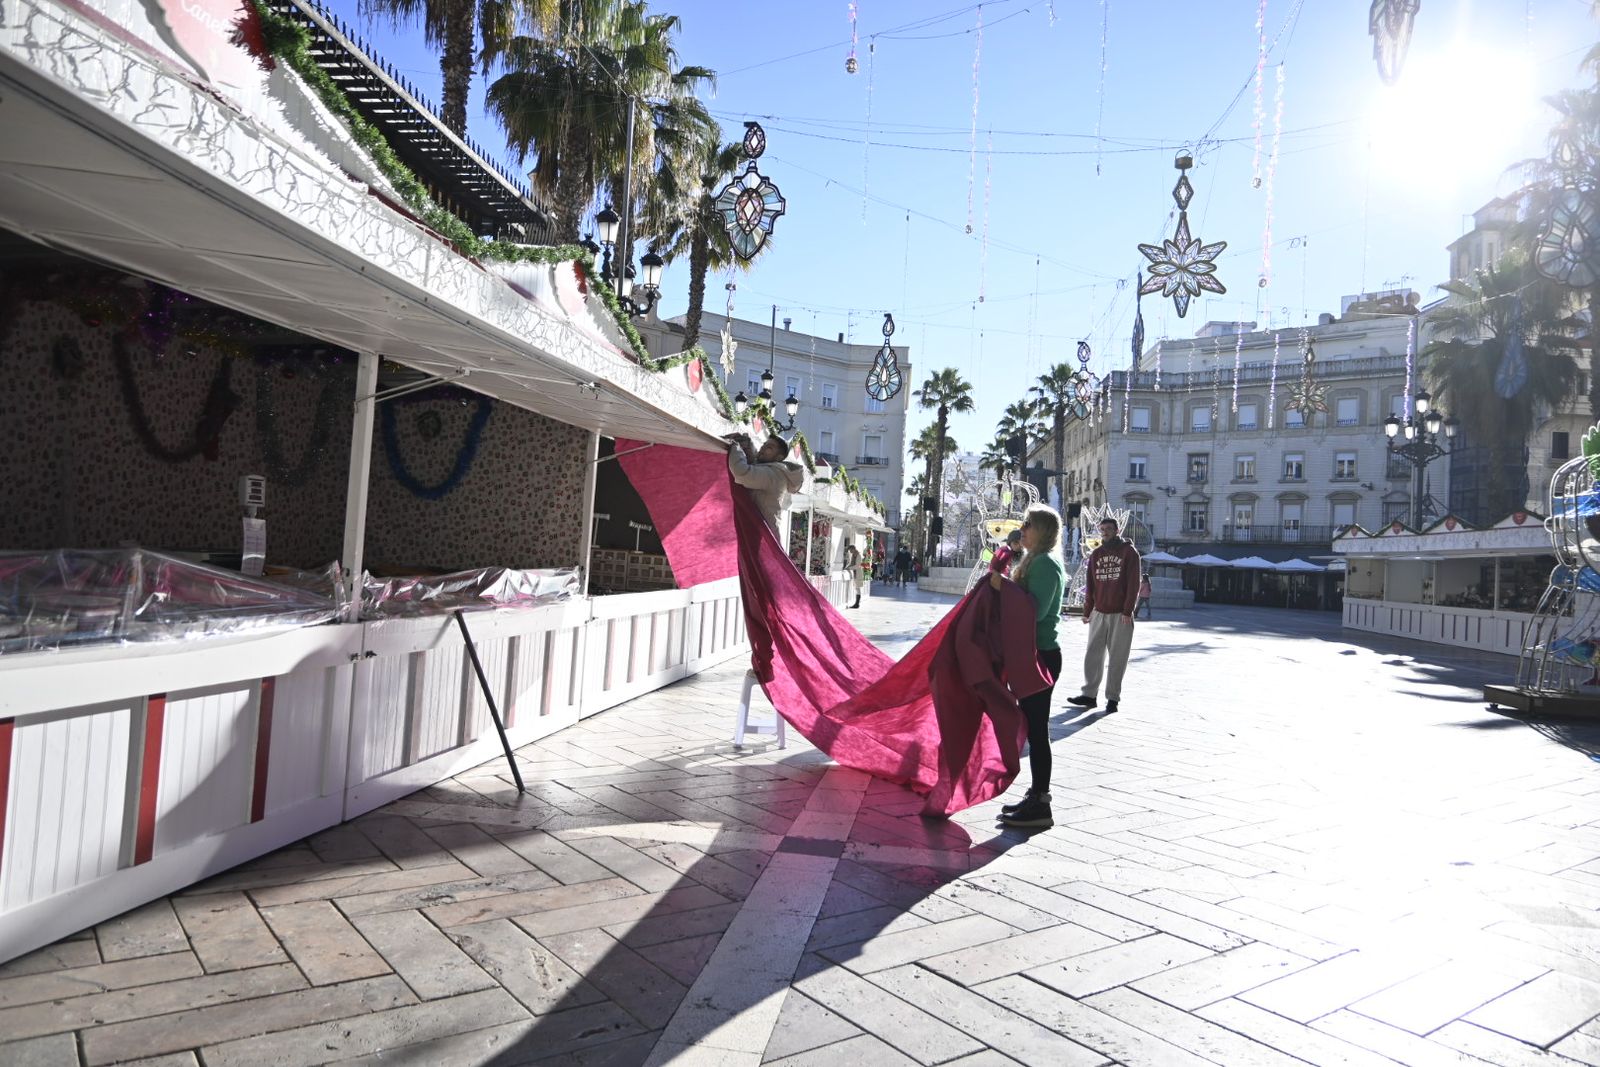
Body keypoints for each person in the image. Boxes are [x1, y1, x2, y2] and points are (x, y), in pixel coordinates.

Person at [990, 505, 1066, 829]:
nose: (1023, 527)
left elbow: (1032, 610)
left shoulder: (1047, 565)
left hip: (1041, 658)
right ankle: (1035, 795)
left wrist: (1001, 587)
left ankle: (1041, 803)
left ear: (1044, 530)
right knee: (1034, 730)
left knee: (1037, 731)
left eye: (1029, 523)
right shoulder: (1035, 560)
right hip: (1030, 656)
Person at [1067, 516, 1141, 715]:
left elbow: (1134, 583)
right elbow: (1091, 583)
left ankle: (1112, 699)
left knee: (1118, 658)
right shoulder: (1096, 554)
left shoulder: (1129, 552)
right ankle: (1089, 695)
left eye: (1109, 528)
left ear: (1117, 530)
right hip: (1099, 612)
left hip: (1120, 614)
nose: (1105, 532)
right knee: (1093, 655)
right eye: (1102, 529)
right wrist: (1087, 610)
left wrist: (1128, 610)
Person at [727, 433, 806, 534]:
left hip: (761, 535)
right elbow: (754, 459)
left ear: (778, 457)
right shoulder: (768, 468)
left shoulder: (774, 474)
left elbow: (742, 472)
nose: (763, 448)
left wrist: (735, 446)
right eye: (764, 445)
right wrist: (748, 444)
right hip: (756, 531)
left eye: (769, 447)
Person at [843, 541, 863, 609]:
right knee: (857, 588)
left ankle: (857, 603)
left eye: (850, 550)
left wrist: (849, 568)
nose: (850, 552)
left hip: (858, 573)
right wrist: (847, 567)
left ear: (853, 549)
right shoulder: (854, 555)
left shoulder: (858, 555)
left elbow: (858, 566)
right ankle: (856, 603)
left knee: (858, 588)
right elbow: (851, 563)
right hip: (855, 573)